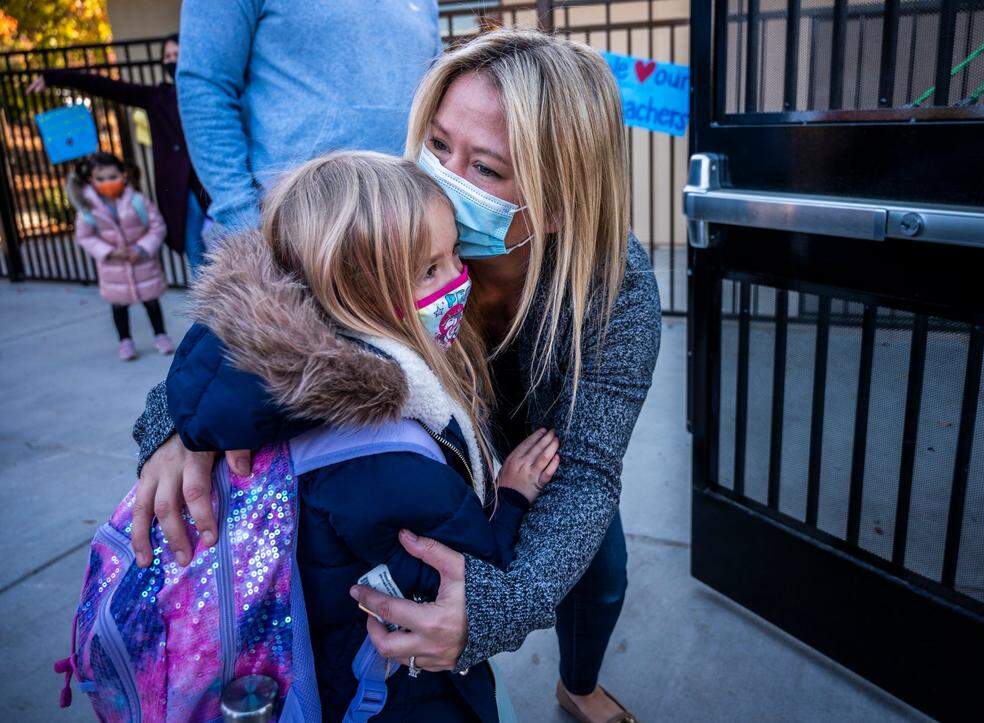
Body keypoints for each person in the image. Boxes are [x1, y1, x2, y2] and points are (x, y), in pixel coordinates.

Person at [129, 29, 661, 723]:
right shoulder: (388, 207)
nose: (441, 175)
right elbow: (258, 297)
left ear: (558, 202)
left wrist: (494, 610)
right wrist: (176, 424)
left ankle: (579, 684)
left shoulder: (617, 293)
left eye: (488, 168)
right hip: (425, 447)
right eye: (438, 144)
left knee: (599, 569)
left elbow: (587, 471)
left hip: (543, 454)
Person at [168, 151, 561, 720]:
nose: (459, 280)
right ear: (355, 291)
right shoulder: (389, 465)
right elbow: (469, 576)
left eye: (455, 253)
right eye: (429, 269)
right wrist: (515, 493)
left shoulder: (272, 395)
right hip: (397, 692)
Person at [173, 0, 439, 242]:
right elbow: (205, 87)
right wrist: (244, 222)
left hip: (409, 229)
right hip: (300, 239)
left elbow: (433, 95)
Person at [28, 33, 211, 272]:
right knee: (199, 261)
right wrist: (54, 77)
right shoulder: (157, 97)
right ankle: (213, 309)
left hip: (212, 183)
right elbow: (105, 86)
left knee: (237, 249)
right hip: (183, 192)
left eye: (177, 55)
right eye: (167, 56)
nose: (172, 61)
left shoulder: (209, 93)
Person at [68, 152, 172, 361]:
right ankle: (125, 341)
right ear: (91, 181)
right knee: (118, 307)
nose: (107, 182)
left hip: (142, 264)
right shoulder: (88, 209)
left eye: (112, 176)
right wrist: (109, 252)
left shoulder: (138, 201)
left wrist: (142, 248)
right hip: (113, 268)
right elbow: (85, 237)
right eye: (101, 179)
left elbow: (157, 226)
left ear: (124, 175)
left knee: (152, 302)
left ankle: (161, 336)